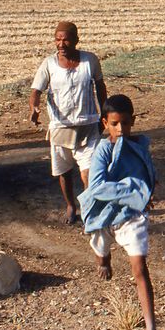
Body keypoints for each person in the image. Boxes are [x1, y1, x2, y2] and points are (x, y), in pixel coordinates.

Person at [78, 94, 162, 330]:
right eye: (115, 124)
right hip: (104, 214)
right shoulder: (103, 150)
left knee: (140, 268)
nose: (121, 129)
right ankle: (104, 261)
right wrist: (136, 195)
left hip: (131, 216)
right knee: (101, 251)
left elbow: (147, 172)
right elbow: (97, 188)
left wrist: (148, 190)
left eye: (125, 123)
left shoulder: (139, 145)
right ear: (105, 123)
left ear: (133, 121)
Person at [29, 21, 107, 224]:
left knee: (88, 172)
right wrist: (34, 108)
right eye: (57, 39)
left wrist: (105, 114)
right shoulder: (49, 64)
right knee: (64, 171)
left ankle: (90, 208)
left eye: (66, 39)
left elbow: (100, 86)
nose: (61, 44)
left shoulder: (90, 61)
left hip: (88, 124)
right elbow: (36, 91)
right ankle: (71, 205)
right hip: (60, 127)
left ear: (76, 40)